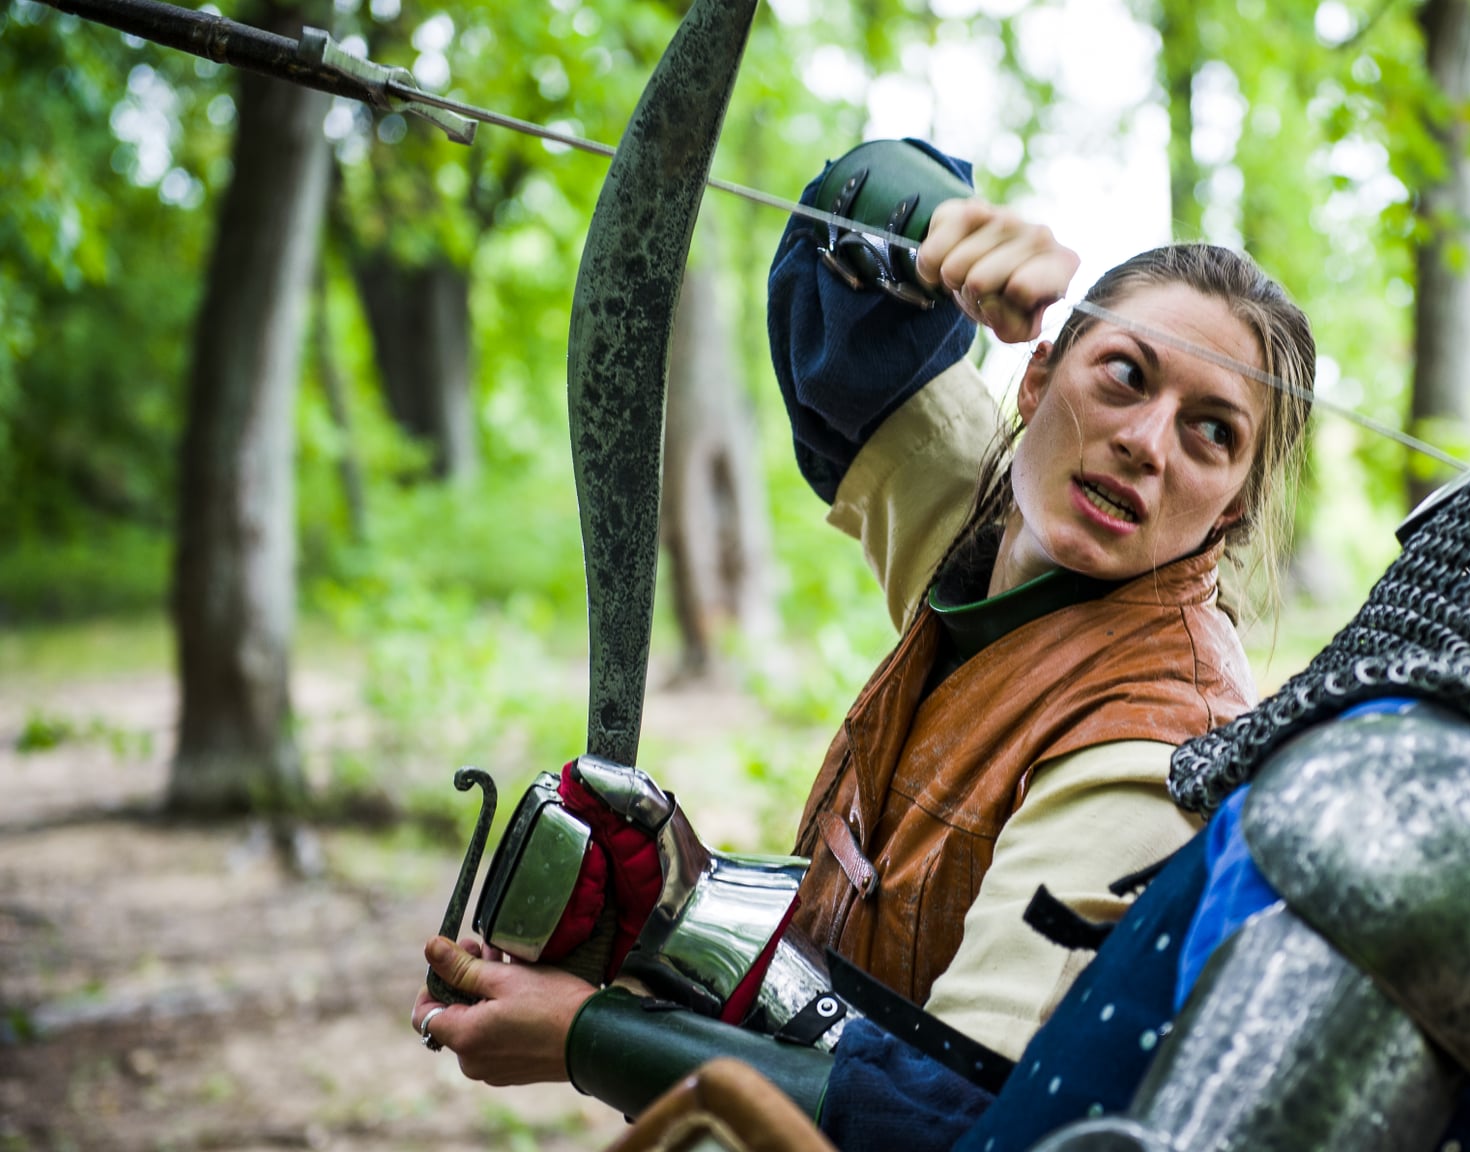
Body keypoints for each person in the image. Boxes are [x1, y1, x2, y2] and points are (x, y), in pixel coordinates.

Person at [407, 139, 1317, 1132]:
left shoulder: (1154, 746)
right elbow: (831, 295)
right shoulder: (996, 516)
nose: (1144, 441)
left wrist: (587, 1037)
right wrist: (937, 226)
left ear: (1230, 510)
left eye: (1211, 431)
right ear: (1037, 377)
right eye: (1124, 375)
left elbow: (962, 1118)